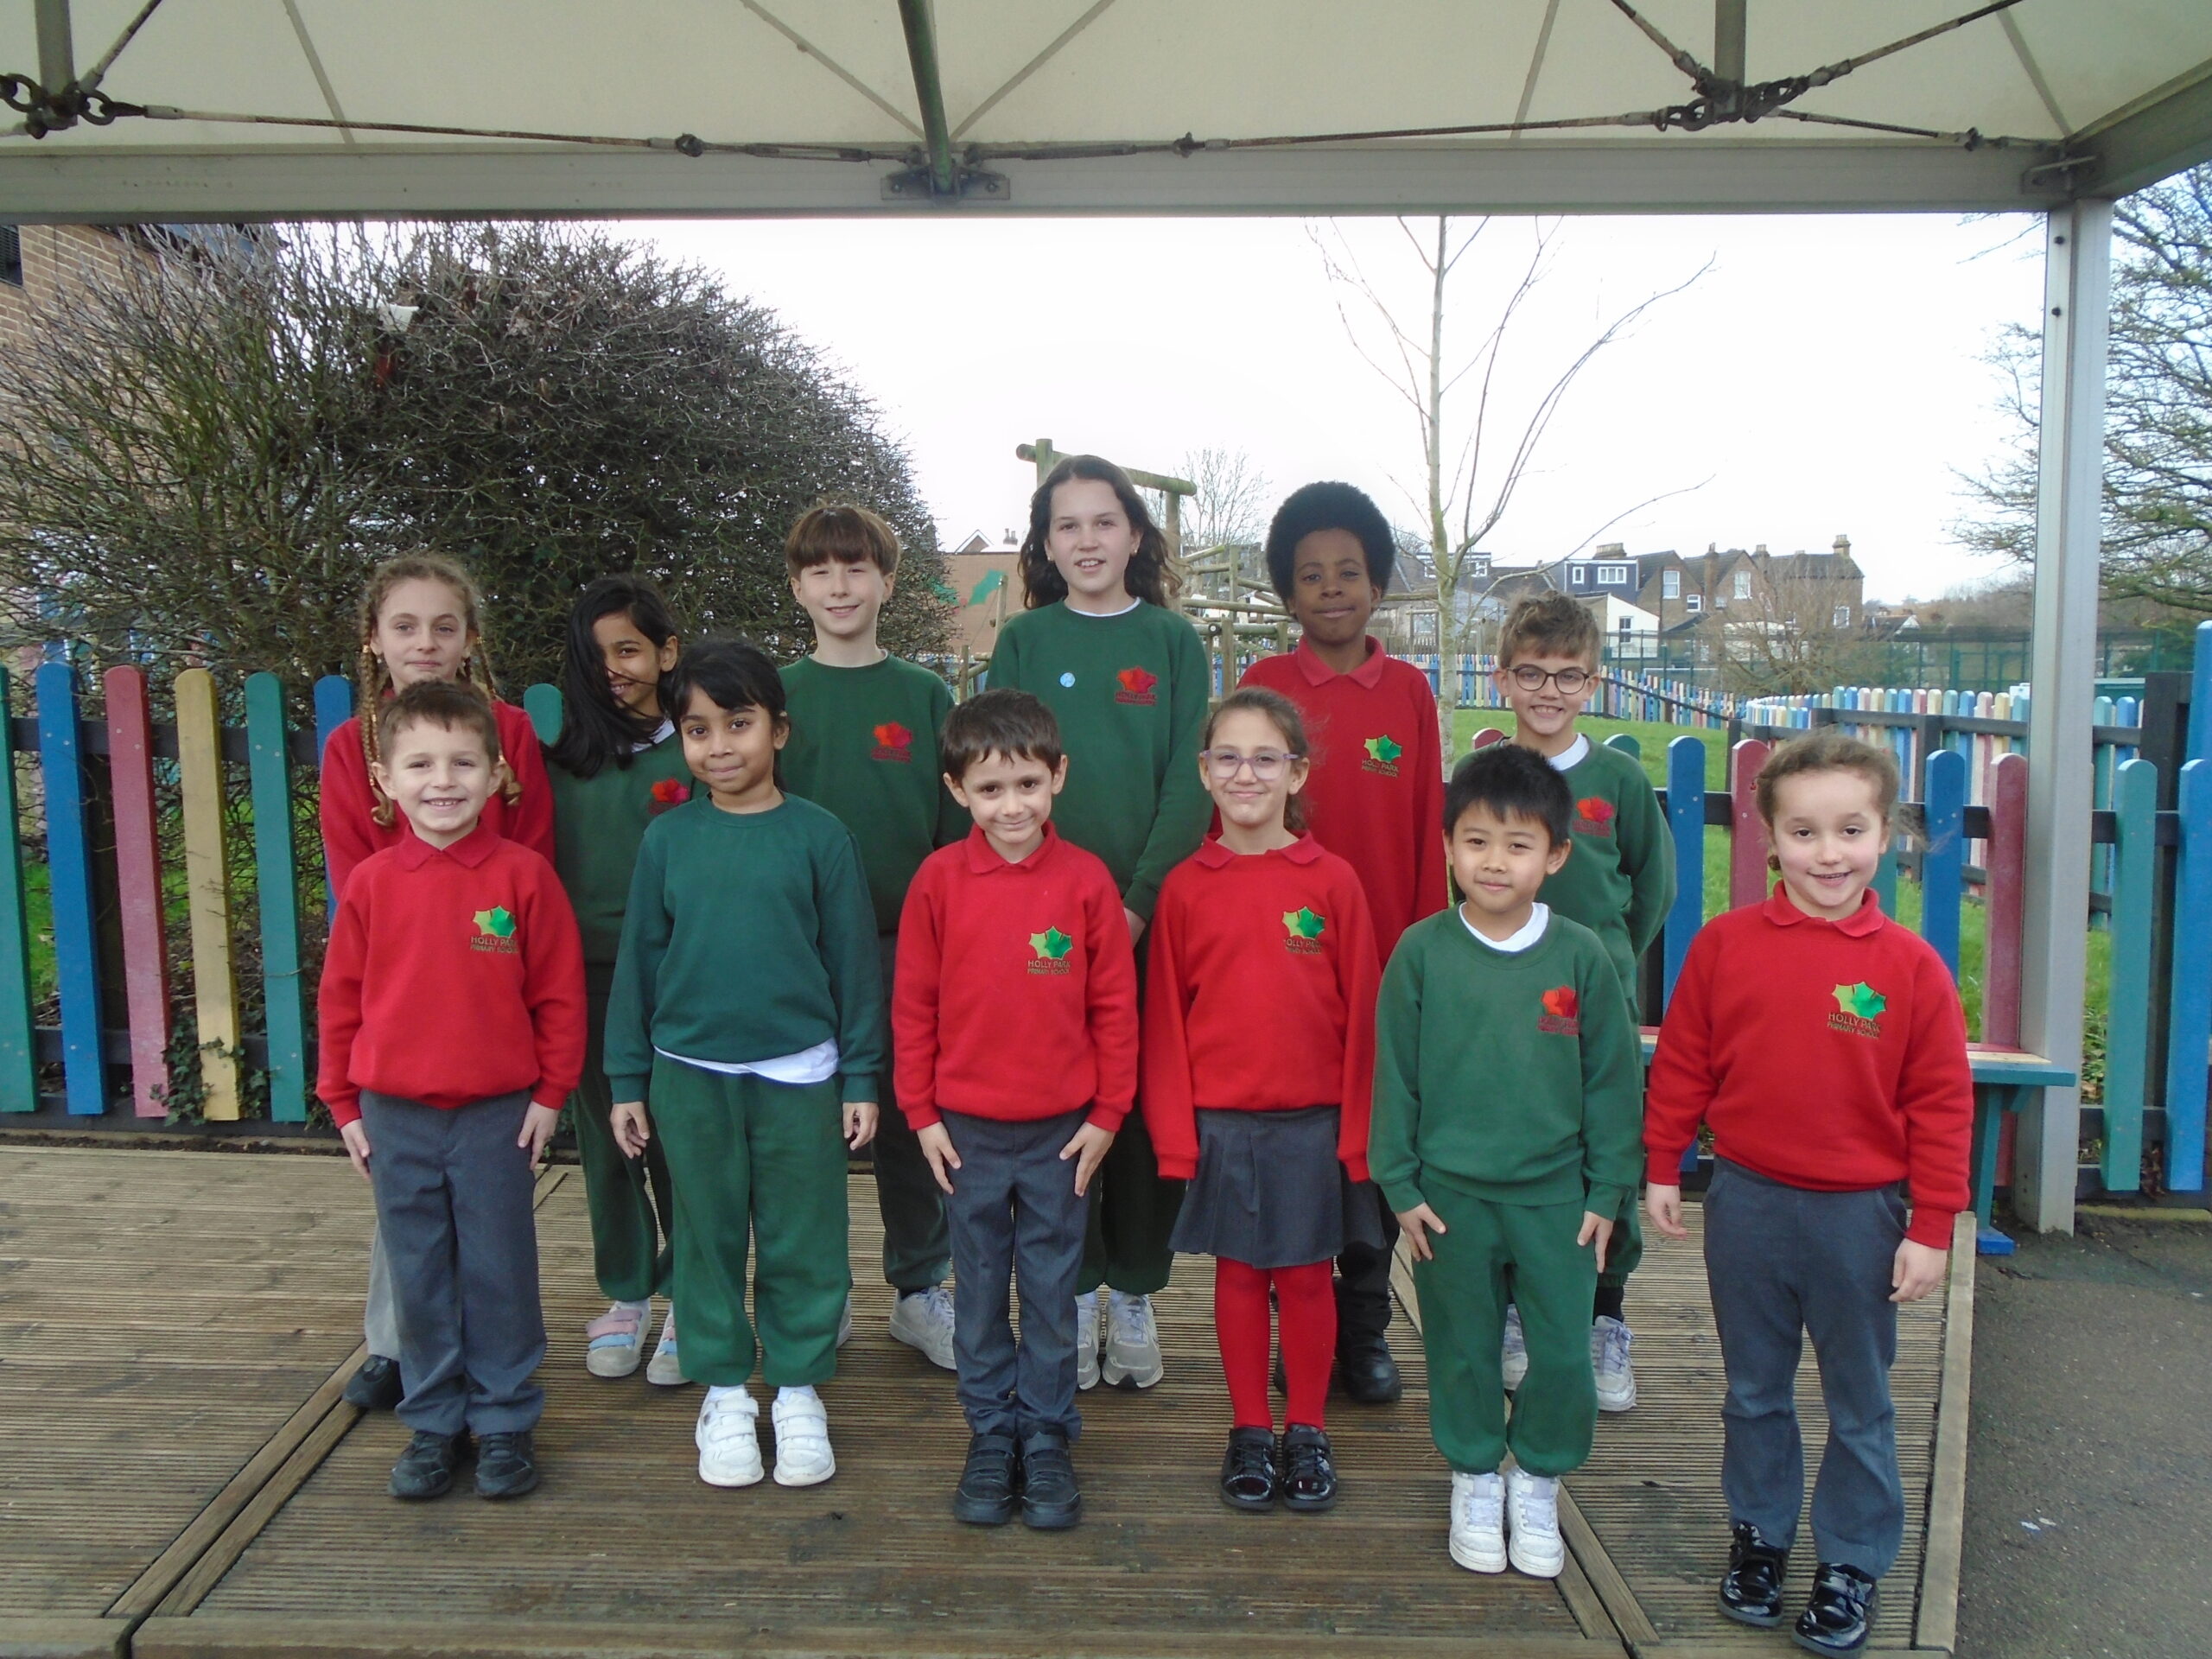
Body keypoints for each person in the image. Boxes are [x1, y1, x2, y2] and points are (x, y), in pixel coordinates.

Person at [1643, 731, 1971, 1658]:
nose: (1829, 854)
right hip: (1746, 1202)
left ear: (1885, 835)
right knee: (1754, 1389)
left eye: (1851, 830)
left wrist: (1931, 1225)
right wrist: (1663, 1162)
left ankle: (1851, 1561)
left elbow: (1941, 1104)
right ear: (1770, 838)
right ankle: (1760, 1535)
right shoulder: (1725, 947)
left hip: (1860, 1216)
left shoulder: (1910, 968)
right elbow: (1685, 1062)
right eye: (1805, 832)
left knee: (1859, 1398)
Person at [603, 639, 883, 1491]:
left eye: (738, 724)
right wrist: (626, 1079)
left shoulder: (821, 837)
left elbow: (854, 965)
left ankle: (796, 1388)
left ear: (778, 731)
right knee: (707, 1236)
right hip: (690, 1076)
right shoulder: (668, 840)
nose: (719, 745)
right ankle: (724, 1392)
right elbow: (639, 961)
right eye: (697, 729)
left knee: (805, 1237)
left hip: (801, 1077)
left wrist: (861, 1076)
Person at [1370, 743, 1642, 1580]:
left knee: (1560, 1350)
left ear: (1554, 856)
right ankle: (1475, 1472)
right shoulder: (1421, 952)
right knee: (1463, 1345)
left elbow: (1611, 1081)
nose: (1495, 861)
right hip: (1448, 1199)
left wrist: (1609, 1188)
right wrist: (1398, 1182)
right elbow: (1393, 1074)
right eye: (1476, 841)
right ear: (1448, 846)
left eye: (1518, 844)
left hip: (1557, 1199)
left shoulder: (1579, 956)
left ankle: (1539, 1477)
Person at [318, 681, 586, 1502]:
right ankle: (434, 1420)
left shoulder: (523, 878)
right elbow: (341, 999)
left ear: (497, 774)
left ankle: (503, 1418)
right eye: (421, 764)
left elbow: (559, 995)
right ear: (385, 780)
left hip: (497, 1116)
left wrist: (551, 1094)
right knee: (420, 1272)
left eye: (464, 763)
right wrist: (343, 1103)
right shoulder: (372, 885)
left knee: (500, 1268)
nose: (443, 781)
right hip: (394, 1116)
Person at [984, 454, 1211, 1391]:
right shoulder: (1025, 641)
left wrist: (1136, 902)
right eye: (1067, 525)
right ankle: (1072, 1292)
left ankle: (1136, 1290)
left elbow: (1188, 782)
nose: (1086, 540)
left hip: (1149, 919)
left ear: (1135, 534)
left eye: (1104, 521)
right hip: (1044, 924)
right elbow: (999, 765)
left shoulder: (1172, 642)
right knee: (1062, 1106)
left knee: (1143, 1108)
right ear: (1045, 543)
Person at [894, 689, 1139, 1531]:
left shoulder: (1085, 881)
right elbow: (912, 1006)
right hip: (963, 1134)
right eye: (990, 789)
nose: (1011, 807)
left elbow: (1114, 1007)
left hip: (1062, 1136)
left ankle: (1045, 1432)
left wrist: (1108, 1113)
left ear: (1057, 777)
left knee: (1049, 1287)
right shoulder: (937, 881)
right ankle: (990, 1431)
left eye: (1028, 784)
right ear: (957, 790)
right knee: (978, 1285)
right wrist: (921, 1112)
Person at [321, 551, 556, 1414]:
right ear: (374, 639)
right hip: (402, 979)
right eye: (405, 626)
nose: (425, 642)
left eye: (444, 626)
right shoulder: (354, 746)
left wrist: (484, 931)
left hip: (486, 969)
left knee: (489, 1216)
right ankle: (400, 1343)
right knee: (408, 1200)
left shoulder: (509, 732)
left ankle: (493, 1381)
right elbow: (354, 871)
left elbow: (530, 846)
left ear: (470, 639)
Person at [1142, 687, 1382, 1514]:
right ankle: (1249, 1428)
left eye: (1265, 758)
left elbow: (1365, 1017)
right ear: (1205, 772)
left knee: (1308, 1278)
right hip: (1222, 1124)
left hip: (1313, 1123)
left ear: (1296, 773)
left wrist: (1358, 1136)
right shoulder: (1185, 888)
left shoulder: (1333, 882)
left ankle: (1307, 1428)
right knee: (1240, 1277)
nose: (1246, 774)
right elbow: (1165, 1024)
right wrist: (1177, 1139)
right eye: (1229, 758)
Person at [1240, 480, 1443, 1406]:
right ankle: (1301, 1324)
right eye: (1311, 575)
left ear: (1378, 584)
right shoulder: (1265, 688)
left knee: (1371, 1147)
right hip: (1285, 965)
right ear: (1287, 592)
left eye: (1349, 572)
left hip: (1388, 962)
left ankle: (1364, 1326)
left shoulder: (1409, 693)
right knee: (1294, 1152)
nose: (1331, 588)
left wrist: (1425, 953)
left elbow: (1428, 825)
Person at [779, 503, 968, 1372]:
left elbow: (953, 838)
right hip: (801, 953)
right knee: (808, 1128)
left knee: (909, 1118)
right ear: (797, 587)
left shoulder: (924, 696)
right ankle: (818, 1290)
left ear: (887, 582)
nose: (839, 585)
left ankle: (920, 1287)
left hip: (905, 950)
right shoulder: (775, 698)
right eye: (820, 570)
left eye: (856, 568)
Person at [1491, 591, 1673, 1414]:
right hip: (1505, 1005)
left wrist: (1605, 961)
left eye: (1568, 675)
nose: (1549, 691)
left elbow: (1653, 889)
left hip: (1593, 1004)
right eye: (1532, 673)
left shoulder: (1618, 781)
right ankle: (1515, 1312)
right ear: (1504, 680)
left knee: (1605, 1145)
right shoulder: (1489, 780)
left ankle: (1605, 1316)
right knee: (1513, 1142)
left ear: (1593, 684)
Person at [544, 575, 687, 1385]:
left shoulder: (696, 751)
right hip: (591, 982)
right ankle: (627, 1291)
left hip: (680, 983)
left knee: (681, 1143)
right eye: (595, 656)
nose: (613, 670)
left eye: (628, 650)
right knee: (607, 1144)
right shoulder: (559, 765)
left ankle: (690, 1294)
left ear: (666, 653)